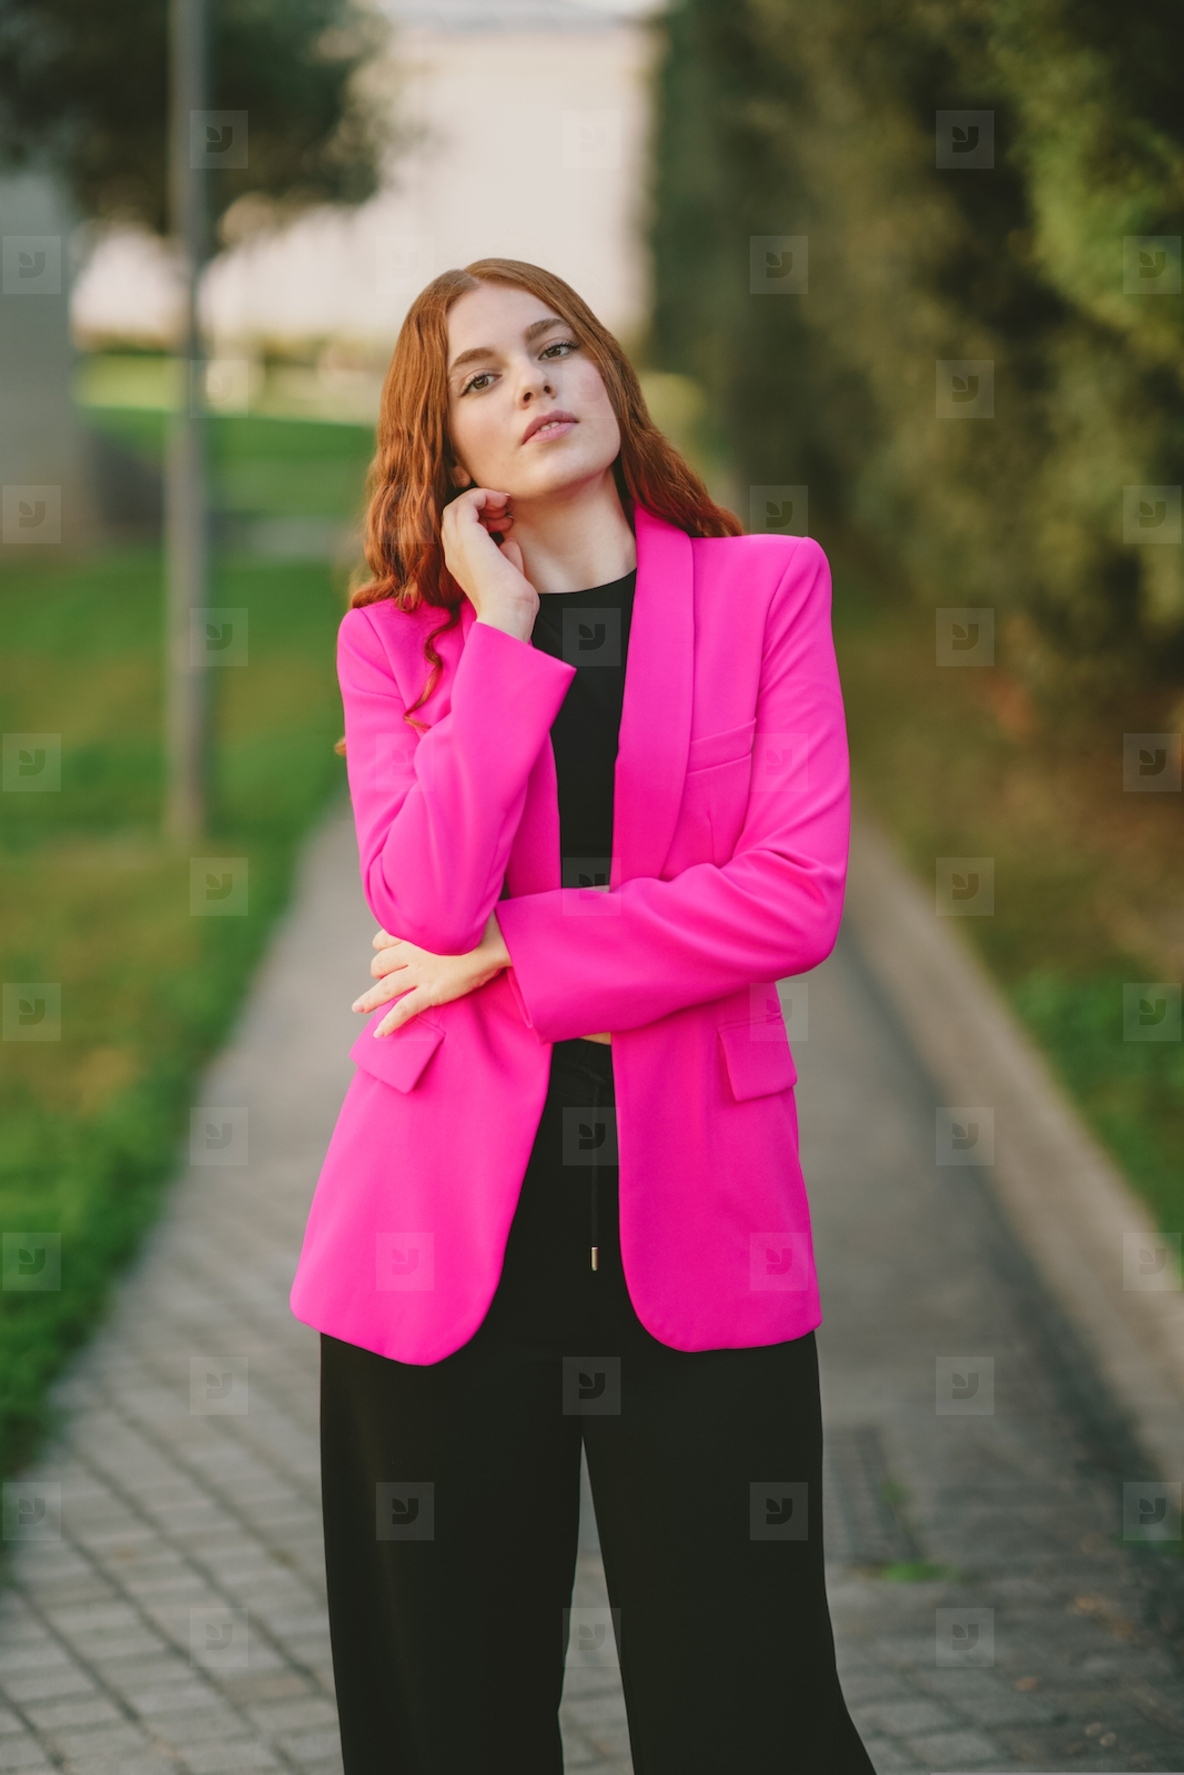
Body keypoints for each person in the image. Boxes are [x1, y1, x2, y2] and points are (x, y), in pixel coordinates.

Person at [289, 258, 874, 1775]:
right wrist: (503, 633)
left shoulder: (768, 589)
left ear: (609, 372)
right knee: (447, 1726)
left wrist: (522, 952)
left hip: (702, 1221)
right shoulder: (399, 644)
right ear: (443, 447)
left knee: (750, 1713)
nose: (533, 385)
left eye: (555, 348)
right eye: (480, 378)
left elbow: (795, 897)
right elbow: (424, 907)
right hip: (438, 1240)